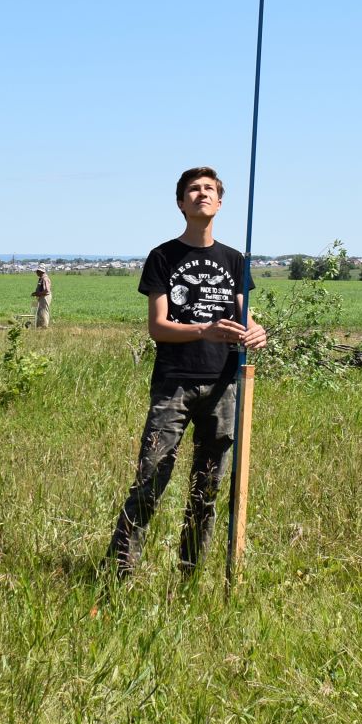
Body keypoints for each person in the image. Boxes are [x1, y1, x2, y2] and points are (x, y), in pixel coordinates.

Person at [105, 167, 267, 577]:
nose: (202, 195)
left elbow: (243, 318)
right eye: (193, 190)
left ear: (220, 202)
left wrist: (256, 331)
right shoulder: (163, 256)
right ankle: (116, 574)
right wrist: (204, 330)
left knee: (208, 487)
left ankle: (189, 575)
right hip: (174, 383)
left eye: (209, 189)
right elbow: (157, 327)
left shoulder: (234, 260)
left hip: (223, 384)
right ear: (180, 203)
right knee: (150, 479)